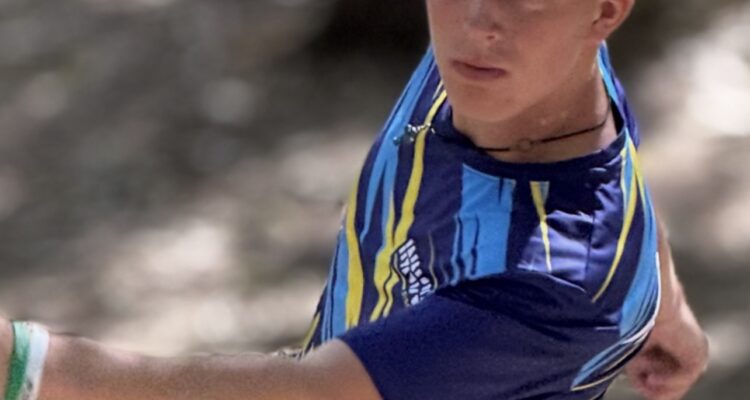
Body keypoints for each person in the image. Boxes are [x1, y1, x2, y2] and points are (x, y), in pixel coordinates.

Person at [0, 1, 708, 399]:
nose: (479, 21)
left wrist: (30, 365)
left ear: (606, 10)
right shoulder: (533, 66)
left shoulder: (553, 284)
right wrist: (665, 300)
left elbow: (314, 394)